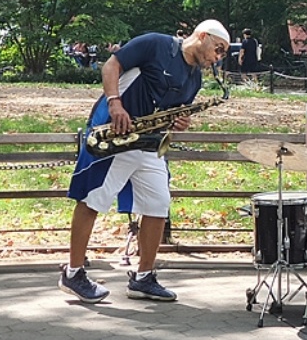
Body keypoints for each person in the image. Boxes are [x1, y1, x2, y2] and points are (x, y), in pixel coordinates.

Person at [58, 20, 231, 304]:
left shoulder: (194, 78)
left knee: (158, 204)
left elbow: (172, 111)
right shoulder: (155, 44)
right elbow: (111, 66)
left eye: (222, 53)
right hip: (116, 135)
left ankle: (143, 278)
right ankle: (73, 273)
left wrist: (179, 120)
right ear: (202, 36)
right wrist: (115, 103)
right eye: (218, 49)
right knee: (92, 200)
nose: (218, 57)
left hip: (150, 143)